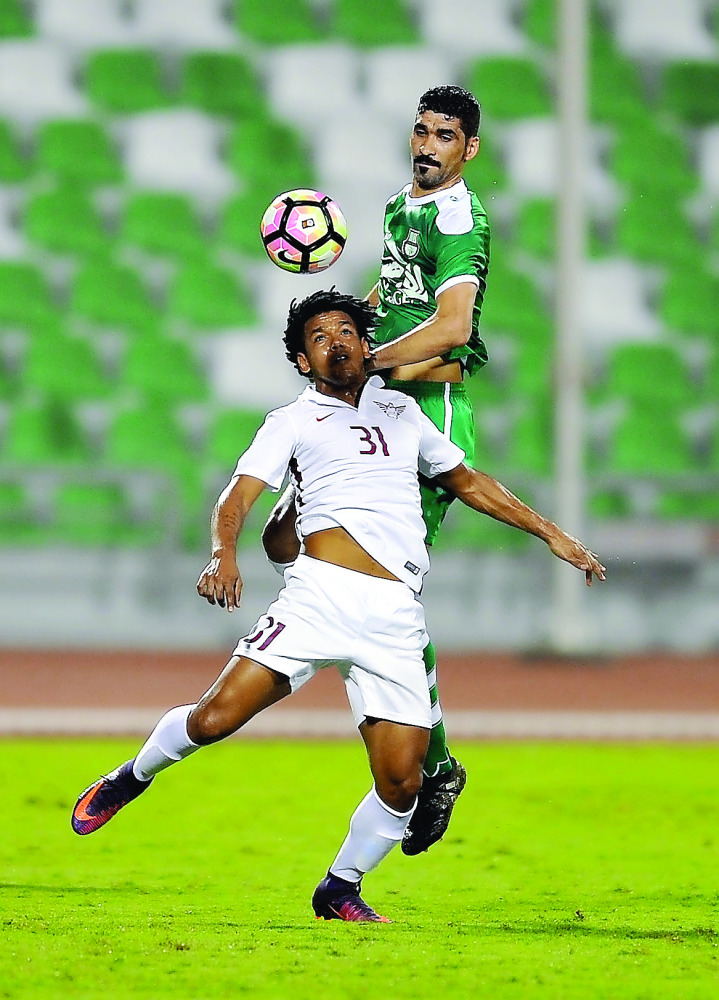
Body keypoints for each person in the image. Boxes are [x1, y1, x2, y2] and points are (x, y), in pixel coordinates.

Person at [71, 290, 605, 924]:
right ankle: (132, 776)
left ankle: (340, 888)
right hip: (318, 598)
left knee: (404, 784)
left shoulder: (404, 415)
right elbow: (235, 498)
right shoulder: (291, 422)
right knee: (213, 720)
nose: (337, 341)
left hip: (394, 613)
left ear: (363, 343)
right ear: (303, 360)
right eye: (320, 336)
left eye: (347, 330)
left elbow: (468, 481)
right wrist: (223, 555)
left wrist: (551, 532)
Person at [262, 85, 491, 855]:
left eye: (445, 136)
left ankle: (436, 767)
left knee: (383, 587)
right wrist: (345, 329)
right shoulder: (403, 203)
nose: (428, 145)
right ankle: (430, 758)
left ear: (469, 150)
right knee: (320, 562)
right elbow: (391, 295)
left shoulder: (459, 219)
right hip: (383, 405)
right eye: (421, 130)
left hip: (427, 411)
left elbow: (453, 323)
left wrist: (365, 363)